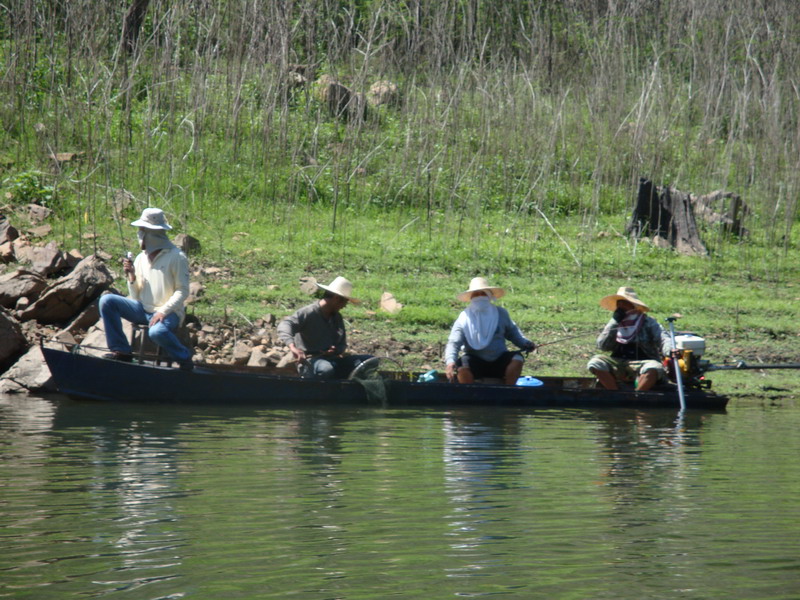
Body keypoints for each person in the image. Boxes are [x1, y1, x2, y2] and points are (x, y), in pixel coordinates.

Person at [99, 207, 193, 370]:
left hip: (169, 313)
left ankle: (185, 358)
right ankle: (121, 350)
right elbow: (135, 296)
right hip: (143, 309)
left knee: (156, 332)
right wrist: (132, 277)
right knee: (107, 301)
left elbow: (182, 290)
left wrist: (163, 311)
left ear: (152, 233)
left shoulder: (176, 257)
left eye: (142, 230)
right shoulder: (140, 258)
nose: (139, 234)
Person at [444, 277, 537, 385]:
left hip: (499, 359)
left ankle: (509, 390)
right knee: (462, 365)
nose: (479, 297)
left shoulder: (501, 313)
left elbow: (513, 333)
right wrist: (450, 362)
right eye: (475, 294)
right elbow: (454, 343)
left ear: (489, 296)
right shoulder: (464, 318)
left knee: (517, 359)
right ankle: (469, 394)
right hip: (475, 361)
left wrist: (526, 344)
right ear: (471, 298)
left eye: (482, 293)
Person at [277, 276, 372, 379]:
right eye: (344, 302)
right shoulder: (308, 313)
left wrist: (335, 350)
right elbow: (285, 325)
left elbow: (341, 345)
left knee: (369, 361)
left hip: (333, 360)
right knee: (325, 369)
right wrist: (293, 347)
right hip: (310, 361)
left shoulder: (337, 317)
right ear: (336, 298)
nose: (344, 306)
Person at [587, 286, 674, 391]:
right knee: (596, 362)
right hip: (618, 362)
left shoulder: (648, 322)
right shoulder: (616, 323)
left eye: (624, 302)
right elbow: (602, 346)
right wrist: (614, 322)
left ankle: (637, 396)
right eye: (619, 303)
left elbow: (663, 338)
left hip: (643, 362)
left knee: (654, 367)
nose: (621, 306)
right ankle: (614, 394)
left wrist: (670, 350)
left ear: (633, 305)